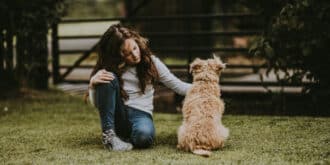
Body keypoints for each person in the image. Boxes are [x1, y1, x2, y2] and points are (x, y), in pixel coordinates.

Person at [88, 24, 192, 151]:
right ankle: (110, 137)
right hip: (118, 112)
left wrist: (207, 88)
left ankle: (122, 139)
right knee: (106, 77)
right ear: (117, 54)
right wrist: (92, 85)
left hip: (141, 114)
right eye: (126, 53)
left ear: (137, 42)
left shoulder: (152, 63)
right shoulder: (111, 68)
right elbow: (98, 104)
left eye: (135, 48)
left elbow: (178, 86)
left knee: (144, 138)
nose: (135, 55)